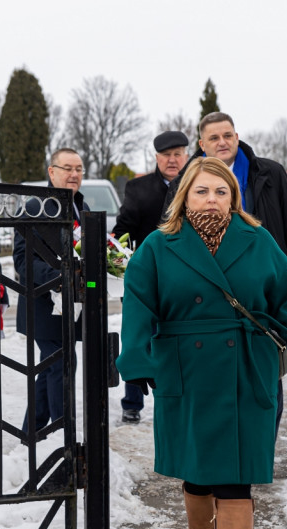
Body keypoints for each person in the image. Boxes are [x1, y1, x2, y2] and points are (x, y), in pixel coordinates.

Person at [117, 157, 287, 529]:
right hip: (184, 370)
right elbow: (138, 306)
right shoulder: (158, 246)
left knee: (235, 479)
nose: (212, 199)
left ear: (235, 197)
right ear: (184, 196)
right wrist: (138, 361)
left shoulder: (258, 241)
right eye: (203, 191)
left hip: (245, 369)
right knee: (196, 477)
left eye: (221, 192)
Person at [168, 112, 287, 437]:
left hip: (262, 291)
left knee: (265, 373)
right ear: (201, 144)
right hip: (210, 296)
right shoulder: (185, 180)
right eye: (214, 138)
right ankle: (218, 458)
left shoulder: (270, 173)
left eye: (228, 135)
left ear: (236, 137)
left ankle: (258, 449)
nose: (222, 142)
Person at [112, 130, 189, 424]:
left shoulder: (196, 183)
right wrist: (121, 257)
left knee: (174, 338)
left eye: (178, 153)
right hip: (146, 275)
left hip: (184, 276)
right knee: (138, 335)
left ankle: (174, 396)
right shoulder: (138, 187)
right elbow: (122, 230)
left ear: (186, 155)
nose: (172, 160)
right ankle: (132, 401)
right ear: (156, 157)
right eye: (166, 155)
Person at [13, 148, 90, 437]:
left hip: (71, 304)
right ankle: (63, 434)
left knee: (52, 366)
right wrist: (59, 277)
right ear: (52, 172)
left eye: (79, 169)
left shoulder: (80, 206)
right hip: (43, 305)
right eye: (67, 168)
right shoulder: (34, 208)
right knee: (61, 363)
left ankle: (31, 433)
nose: (74, 175)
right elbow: (23, 260)